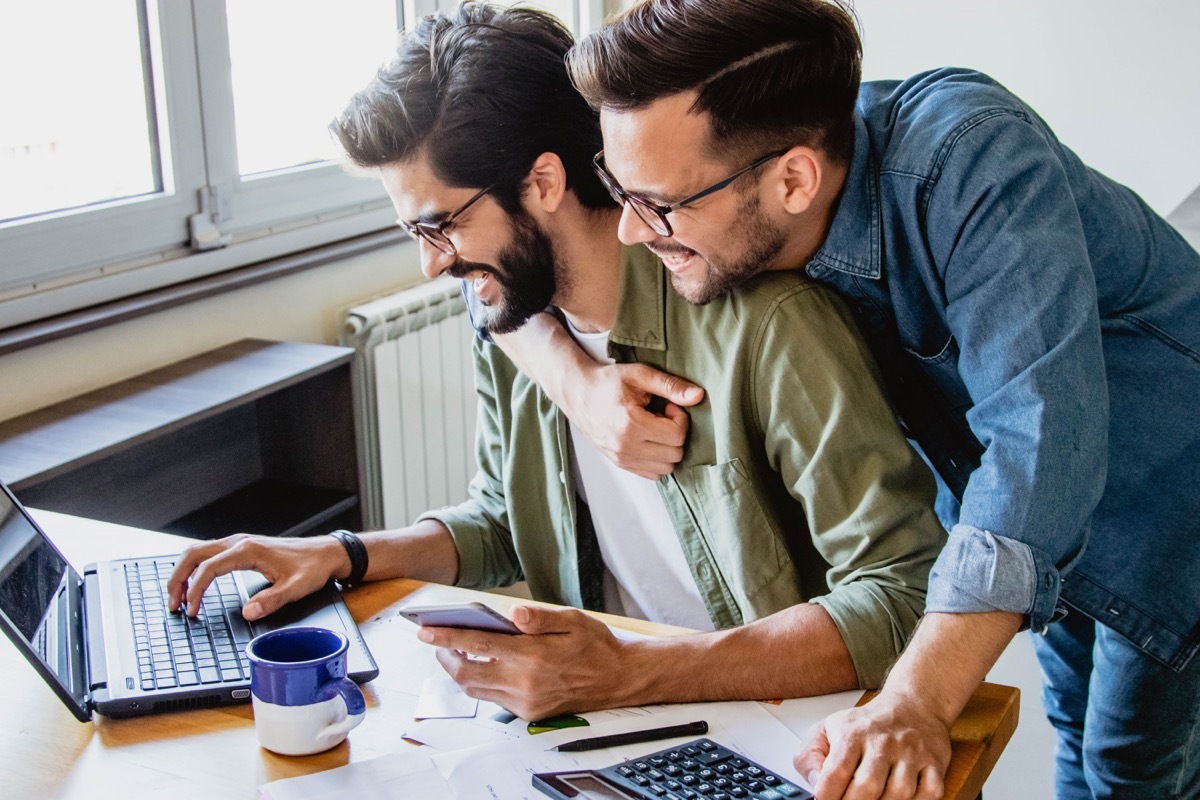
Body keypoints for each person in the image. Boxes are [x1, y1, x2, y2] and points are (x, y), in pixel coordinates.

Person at [482, 0, 1200, 797]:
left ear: (795, 180)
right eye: (620, 190)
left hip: (1169, 492)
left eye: (659, 205)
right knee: (1072, 722)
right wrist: (576, 380)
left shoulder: (972, 160)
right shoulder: (750, 184)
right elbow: (495, 281)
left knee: (1129, 766)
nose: (629, 231)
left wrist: (915, 700)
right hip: (1038, 525)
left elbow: (1040, 447)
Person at [166, 3, 946, 724]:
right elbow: (507, 520)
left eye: (440, 226)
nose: (432, 266)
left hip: (763, 722)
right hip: (605, 717)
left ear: (542, 181)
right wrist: (343, 555)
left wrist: (634, 671)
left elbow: (902, 592)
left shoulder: (774, 328)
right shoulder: (513, 326)